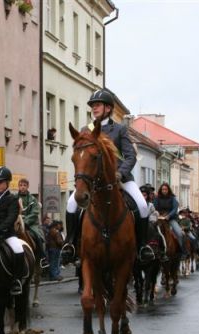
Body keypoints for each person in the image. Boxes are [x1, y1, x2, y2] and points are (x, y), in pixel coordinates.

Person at [63, 89, 153, 263]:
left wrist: (120, 173)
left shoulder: (120, 130)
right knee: (71, 204)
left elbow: (130, 156)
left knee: (142, 206)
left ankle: (142, 246)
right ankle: (71, 244)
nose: (94, 108)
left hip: (120, 179)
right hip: (94, 181)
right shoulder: (85, 130)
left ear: (108, 108)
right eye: (92, 105)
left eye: (97, 105)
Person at [0, 166, 26, 295]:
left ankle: (16, 280)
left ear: (7, 183)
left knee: (19, 249)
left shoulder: (13, 199)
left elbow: (11, 217)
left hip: (7, 234)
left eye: (0, 182)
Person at [17, 178, 47, 267]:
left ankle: (42, 257)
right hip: (16, 222)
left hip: (30, 224)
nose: (22, 187)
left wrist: (25, 221)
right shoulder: (14, 198)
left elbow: (34, 213)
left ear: (27, 187)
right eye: (21, 185)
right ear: (18, 186)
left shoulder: (32, 199)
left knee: (37, 236)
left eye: (24, 185)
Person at [153, 182, 187, 258]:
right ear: (160, 190)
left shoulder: (172, 198)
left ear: (168, 190)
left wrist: (169, 215)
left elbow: (175, 209)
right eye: (163, 189)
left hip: (170, 219)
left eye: (165, 189)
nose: (164, 191)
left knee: (179, 233)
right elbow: (154, 207)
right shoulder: (157, 198)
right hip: (160, 218)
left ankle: (182, 251)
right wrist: (158, 214)